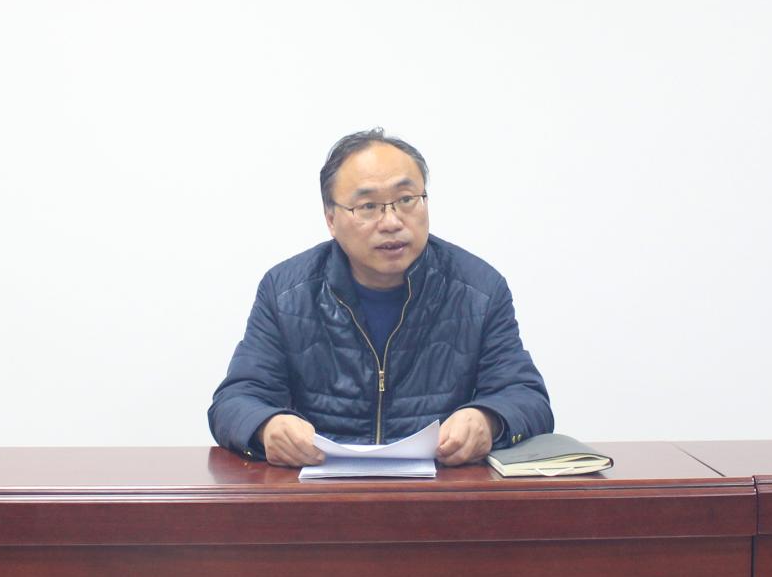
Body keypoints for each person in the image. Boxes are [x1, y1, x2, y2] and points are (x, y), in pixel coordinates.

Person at [208, 128, 553, 467]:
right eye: (368, 206)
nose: (391, 222)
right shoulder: (286, 293)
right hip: (322, 492)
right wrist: (267, 426)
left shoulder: (479, 290)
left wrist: (487, 418)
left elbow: (526, 397)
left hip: (441, 491)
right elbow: (235, 401)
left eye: (406, 200)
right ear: (331, 219)